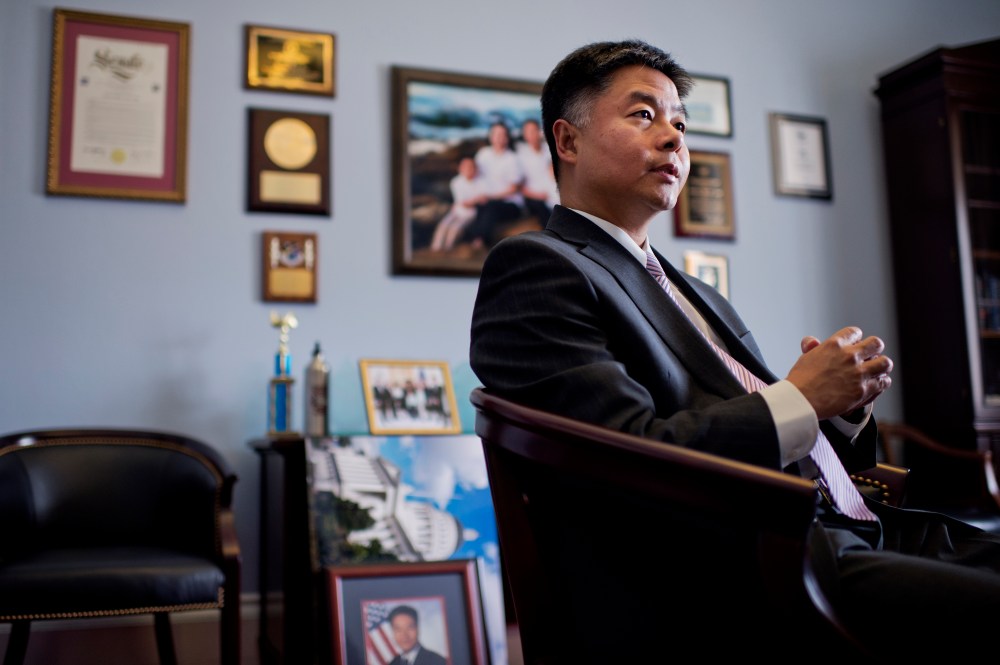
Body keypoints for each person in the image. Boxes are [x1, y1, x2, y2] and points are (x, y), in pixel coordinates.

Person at [470, 39, 1000, 658]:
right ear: (567, 142)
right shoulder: (537, 267)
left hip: (851, 531)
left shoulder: (696, 292)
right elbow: (631, 459)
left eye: (680, 122)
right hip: (735, 571)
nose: (673, 138)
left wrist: (841, 410)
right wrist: (801, 397)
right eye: (644, 115)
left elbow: (782, 437)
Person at [462, 121, 525, 247]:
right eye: (496, 134)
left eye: (503, 134)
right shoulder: (483, 154)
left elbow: (514, 188)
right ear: (490, 136)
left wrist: (489, 197)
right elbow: (472, 175)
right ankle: (474, 239)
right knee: (481, 207)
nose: (499, 138)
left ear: (507, 138)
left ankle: (479, 241)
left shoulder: (512, 158)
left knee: (490, 207)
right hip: (486, 200)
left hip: (511, 204)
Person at [429, 156, 486, 252]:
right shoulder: (456, 182)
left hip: (470, 214)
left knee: (455, 229)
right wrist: (476, 200)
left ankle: (448, 249)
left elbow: (482, 199)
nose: (468, 170)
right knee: (443, 225)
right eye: (465, 167)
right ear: (460, 169)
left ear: (475, 169)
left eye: (471, 167)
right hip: (457, 211)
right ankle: (435, 249)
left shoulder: (481, 182)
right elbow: (464, 202)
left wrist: (473, 201)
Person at [515, 118, 558, 223]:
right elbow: (519, 186)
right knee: (542, 208)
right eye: (529, 131)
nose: (533, 134)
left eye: (535, 130)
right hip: (533, 195)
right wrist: (537, 195)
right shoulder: (520, 155)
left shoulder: (549, 149)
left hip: (552, 191)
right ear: (524, 135)